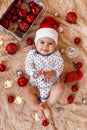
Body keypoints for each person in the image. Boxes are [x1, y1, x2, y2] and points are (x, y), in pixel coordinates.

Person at [22, 16, 64, 121]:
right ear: (36, 43)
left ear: (55, 46)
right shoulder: (32, 54)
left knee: (61, 87)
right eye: (42, 42)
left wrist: (54, 72)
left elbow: (60, 64)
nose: (45, 46)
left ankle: (47, 103)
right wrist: (33, 73)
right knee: (26, 91)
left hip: (52, 86)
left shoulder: (56, 54)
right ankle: (38, 107)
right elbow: (28, 64)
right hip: (36, 86)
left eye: (50, 43)